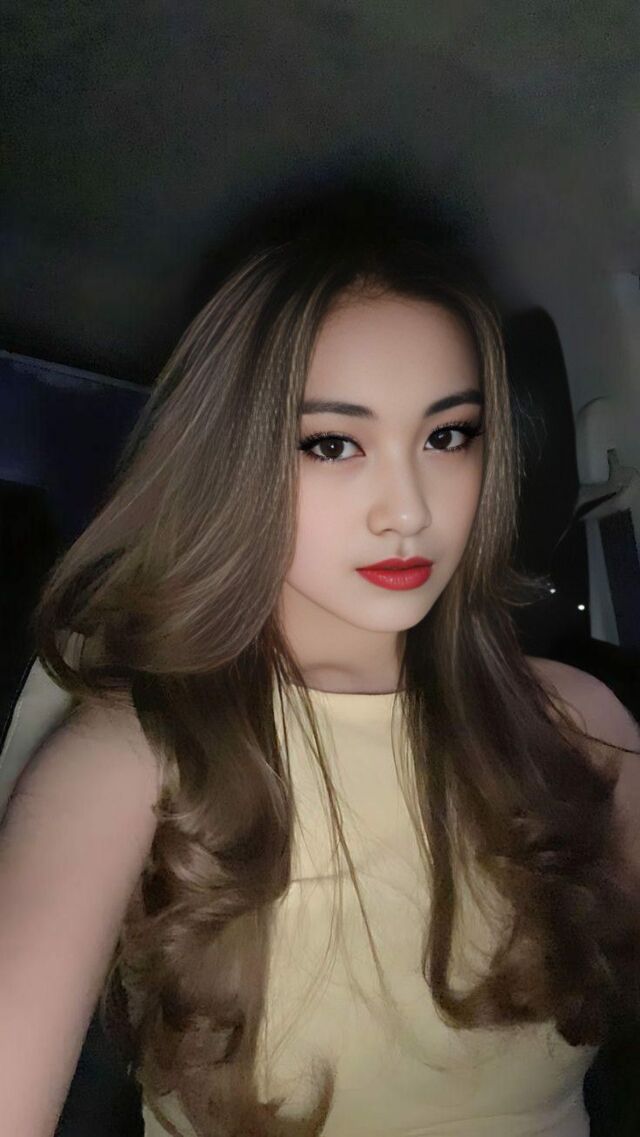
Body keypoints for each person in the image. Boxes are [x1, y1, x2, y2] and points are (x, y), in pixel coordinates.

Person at [2, 199, 640, 1137]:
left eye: (448, 435)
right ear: (234, 459)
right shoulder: (127, 761)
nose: (407, 509)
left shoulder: (581, 722)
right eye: (333, 443)